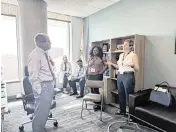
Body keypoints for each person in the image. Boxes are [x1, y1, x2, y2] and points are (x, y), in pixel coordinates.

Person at [28, 33, 55, 132]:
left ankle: (40, 128)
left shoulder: (44, 53)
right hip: (43, 87)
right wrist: (40, 91)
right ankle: (37, 130)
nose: (50, 43)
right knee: (40, 112)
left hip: (48, 85)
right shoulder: (35, 55)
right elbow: (33, 76)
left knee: (44, 111)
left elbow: (46, 70)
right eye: (48, 41)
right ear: (41, 43)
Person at [107, 39, 139, 116]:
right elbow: (119, 67)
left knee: (129, 95)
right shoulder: (121, 55)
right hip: (120, 76)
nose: (123, 46)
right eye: (123, 45)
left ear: (130, 46)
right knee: (121, 94)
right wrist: (111, 63)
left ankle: (131, 114)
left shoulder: (133, 55)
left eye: (126, 45)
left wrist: (132, 65)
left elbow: (137, 69)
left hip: (128, 76)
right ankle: (122, 111)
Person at [87, 46, 107, 111]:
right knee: (92, 89)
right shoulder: (91, 57)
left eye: (96, 50)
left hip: (98, 76)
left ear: (99, 51)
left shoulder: (102, 57)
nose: (95, 51)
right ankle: (95, 103)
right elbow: (88, 65)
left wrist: (101, 72)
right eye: (94, 50)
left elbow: (106, 66)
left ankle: (98, 104)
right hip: (90, 75)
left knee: (96, 90)